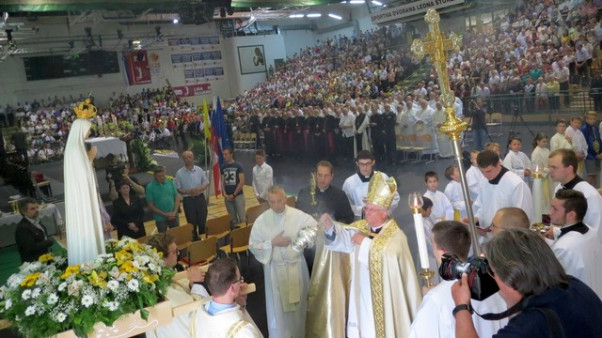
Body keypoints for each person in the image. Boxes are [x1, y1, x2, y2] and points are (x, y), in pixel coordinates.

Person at [321, 172, 421, 338]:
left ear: (384, 213)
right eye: (366, 208)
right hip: (361, 292)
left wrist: (365, 243)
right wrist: (329, 227)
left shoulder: (396, 235)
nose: (366, 212)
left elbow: (388, 255)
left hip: (386, 298)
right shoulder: (362, 227)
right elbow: (344, 239)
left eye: (371, 209)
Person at [451, 228, 602, 338]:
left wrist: (461, 306)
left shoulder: (530, 324)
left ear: (511, 278)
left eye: (493, 273)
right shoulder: (573, 285)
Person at [409, 221, 507, 338]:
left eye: (434, 247)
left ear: (443, 253)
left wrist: (432, 296)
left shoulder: (435, 299)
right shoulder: (492, 284)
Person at [296, 160, 354, 337]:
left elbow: (348, 221)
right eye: (319, 175)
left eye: (326, 176)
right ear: (315, 175)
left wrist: (331, 227)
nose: (322, 179)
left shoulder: (339, 195)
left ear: (332, 176)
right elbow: (298, 219)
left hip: (329, 254)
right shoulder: (304, 193)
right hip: (308, 253)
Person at [249, 185, 316, 338]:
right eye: (272, 202)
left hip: (296, 267)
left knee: (299, 309)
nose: (276, 205)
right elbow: (253, 246)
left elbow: (314, 228)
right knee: (279, 312)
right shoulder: (262, 220)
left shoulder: (298, 215)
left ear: (285, 198)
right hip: (275, 271)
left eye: (279, 201)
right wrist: (272, 243)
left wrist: (300, 242)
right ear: (268, 201)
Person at [64, 99, 106, 265]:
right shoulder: (75, 150)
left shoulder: (75, 148)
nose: (89, 134)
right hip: (81, 201)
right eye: (88, 130)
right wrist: (90, 158)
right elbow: (80, 176)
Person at [146, 233, 209, 338]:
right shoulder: (163, 289)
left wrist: (190, 284)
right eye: (175, 252)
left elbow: (179, 290)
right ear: (161, 256)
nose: (179, 253)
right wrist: (197, 283)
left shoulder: (156, 277)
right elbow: (192, 312)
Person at [548, 189, 602, 298]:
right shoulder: (591, 232)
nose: (550, 212)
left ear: (571, 214)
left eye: (555, 209)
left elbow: (554, 284)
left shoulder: (563, 247)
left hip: (578, 302)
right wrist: (555, 232)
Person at [472, 150, 533, 241]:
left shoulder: (516, 184)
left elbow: (522, 218)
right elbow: (482, 205)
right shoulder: (483, 180)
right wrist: (476, 218)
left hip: (509, 239)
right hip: (488, 236)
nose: (485, 175)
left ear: (498, 164)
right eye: (482, 172)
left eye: (488, 171)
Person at [193, 258, 262, 337]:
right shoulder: (243, 332)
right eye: (240, 279)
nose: (241, 283)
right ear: (232, 288)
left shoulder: (197, 317)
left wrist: (239, 303)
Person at [548, 149, 602, 240]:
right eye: (549, 167)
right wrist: (544, 227)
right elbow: (551, 212)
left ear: (569, 169)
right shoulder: (559, 187)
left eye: (554, 167)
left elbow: (595, 231)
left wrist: (556, 231)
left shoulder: (589, 194)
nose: (550, 171)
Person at [342, 150, 400, 219]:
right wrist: (361, 210)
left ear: (373, 162)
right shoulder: (348, 182)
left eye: (368, 163)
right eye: (362, 164)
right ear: (357, 164)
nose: (365, 167)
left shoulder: (385, 176)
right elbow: (346, 205)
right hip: (361, 220)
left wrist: (381, 207)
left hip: (382, 218)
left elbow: (396, 197)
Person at [175, 150, 209, 240]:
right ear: (183, 160)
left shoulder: (199, 170)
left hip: (200, 199)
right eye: (185, 158)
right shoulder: (179, 173)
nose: (188, 159)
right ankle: (194, 242)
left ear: (193, 158)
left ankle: (204, 240)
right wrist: (188, 191)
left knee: (202, 221)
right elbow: (178, 188)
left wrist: (198, 189)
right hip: (188, 200)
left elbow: (206, 183)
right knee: (191, 223)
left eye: (189, 157)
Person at [15, 198, 53, 263]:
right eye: (32, 209)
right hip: (34, 263)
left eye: (37, 207)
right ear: (23, 211)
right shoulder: (22, 228)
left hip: (45, 258)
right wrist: (48, 242)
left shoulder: (36, 221)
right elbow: (30, 248)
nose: (37, 210)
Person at [146, 166, 181, 233]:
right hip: (160, 218)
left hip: (173, 215)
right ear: (154, 176)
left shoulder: (170, 182)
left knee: (177, 235)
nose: (162, 178)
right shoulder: (150, 187)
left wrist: (174, 212)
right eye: (159, 176)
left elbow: (177, 197)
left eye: (163, 175)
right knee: (163, 238)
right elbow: (150, 205)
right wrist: (164, 214)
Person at [221, 147, 246, 228]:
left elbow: (241, 182)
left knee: (242, 218)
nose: (224, 156)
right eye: (223, 154)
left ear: (231, 155)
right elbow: (222, 182)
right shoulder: (223, 167)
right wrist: (225, 194)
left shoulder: (238, 166)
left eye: (226, 154)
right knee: (233, 219)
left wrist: (234, 194)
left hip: (238, 196)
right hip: (227, 197)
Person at [531, 133, 552, 212]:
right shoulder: (536, 153)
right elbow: (536, 168)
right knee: (543, 200)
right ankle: (542, 220)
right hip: (541, 179)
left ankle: (548, 218)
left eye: (546, 142)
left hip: (548, 178)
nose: (545, 143)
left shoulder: (547, 150)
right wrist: (547, 170)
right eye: (543, 141)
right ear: (538, 141)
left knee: (548, 199)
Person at [581, 111, 602, 186]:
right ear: (586, 119)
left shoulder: (595, 128)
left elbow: (598, 140)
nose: (592, 120)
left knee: (595, 174)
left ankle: (594, 191)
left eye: (594, 119)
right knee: (590, 174)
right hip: (589, 156)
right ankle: (586, 191)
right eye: (590, 119)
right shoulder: (584, 129)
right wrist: (594, 155)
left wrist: (600, 152)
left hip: (597, 155)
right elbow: (584, 144)